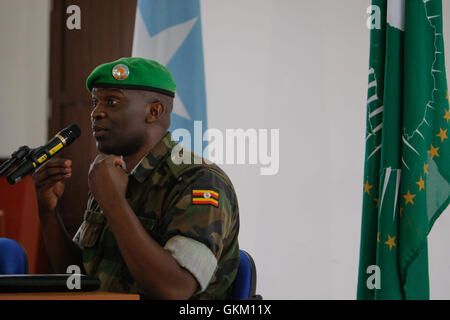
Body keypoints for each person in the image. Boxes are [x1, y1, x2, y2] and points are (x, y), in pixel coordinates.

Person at [33, 57, 240, 299]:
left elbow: (175, 289)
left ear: (154, 111)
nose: (96, 113)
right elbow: (79, 276)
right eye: (95, 102)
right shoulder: (112, 176)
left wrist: (114, 203)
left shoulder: (199, 181)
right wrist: (48, 212)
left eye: (111, 102)